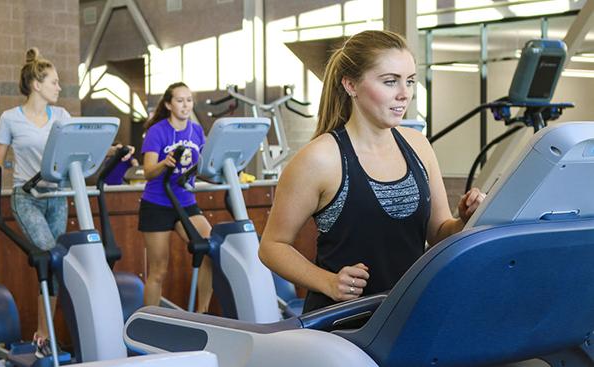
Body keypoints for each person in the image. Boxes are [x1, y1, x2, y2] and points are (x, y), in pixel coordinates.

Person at [258, 30, 485, 313]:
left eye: (410, 81)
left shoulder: (418, 146)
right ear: (351, 85)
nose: (405, 94)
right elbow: (272, 246)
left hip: (406, 314)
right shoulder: (320, 159)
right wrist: (328, 281)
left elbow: (439, 232)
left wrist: (465, 218)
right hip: (343, 322)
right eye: (390, 82)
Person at [0, 48, 133, 357]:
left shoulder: (62, 117)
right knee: (54, 258)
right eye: (54, 82)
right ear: (36, 84)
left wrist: (115, 150)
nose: (59, 87)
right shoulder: (10, 119)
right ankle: (45, 336)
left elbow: (84, 143)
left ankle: (43, 336)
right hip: (28, 198)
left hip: (58, 197)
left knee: (57, 264)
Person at [138, 82, 213, 312]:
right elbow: (149, 172)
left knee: (209, 250)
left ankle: (203, 314)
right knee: (159, 270)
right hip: (157, 204)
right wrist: (164, 162)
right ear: (169, 104)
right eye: (180, 100)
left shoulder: (197, 131)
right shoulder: (157, 131)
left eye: (189, 100)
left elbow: (205, 167)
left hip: (186, 203)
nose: (185, 105)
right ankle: (148, 323)